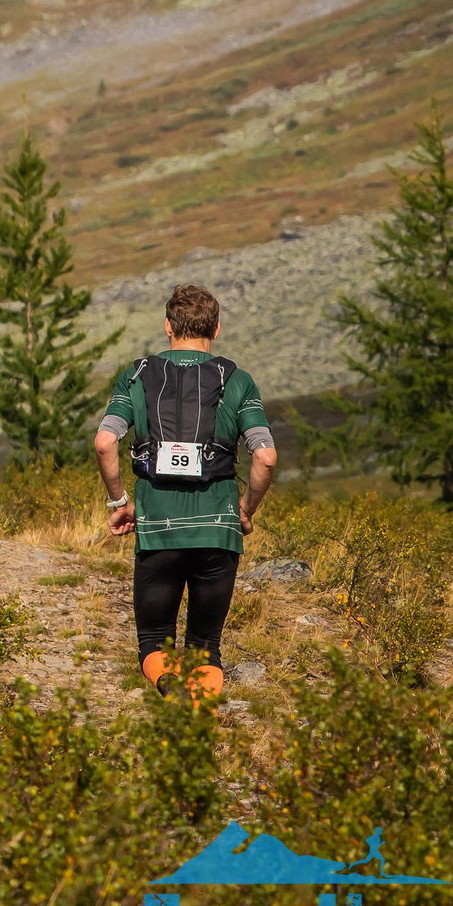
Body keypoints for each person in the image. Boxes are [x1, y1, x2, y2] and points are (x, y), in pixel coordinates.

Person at [90, 284, 277, 700]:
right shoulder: (238, 380)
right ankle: (199, 723)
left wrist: (120, 502)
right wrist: (245, 509)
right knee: (206, 645)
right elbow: (265, 457)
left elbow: (105, 441)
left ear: (168, 327)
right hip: (219, 529)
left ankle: (170, 692)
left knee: (155, 639)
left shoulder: (137, 375)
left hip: (158, 529)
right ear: (217, 327)